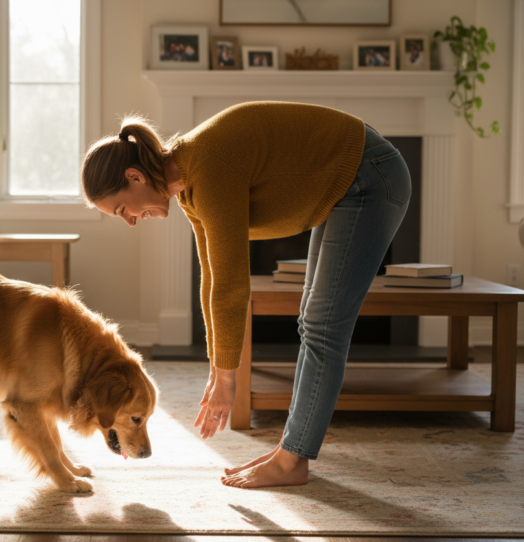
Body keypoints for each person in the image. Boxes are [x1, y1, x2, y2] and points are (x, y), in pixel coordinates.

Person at [80, 102, 411, 488]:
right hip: (350, 183)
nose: (131, 221)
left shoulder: (207, 165)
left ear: (135, 177)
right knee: (313, 321)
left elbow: (233, 283)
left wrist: (227, 380)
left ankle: (293, 461)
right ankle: (293, 449)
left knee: (324, 325)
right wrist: (215, 367)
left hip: (369, 176)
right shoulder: (188, 185)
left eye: (122, 209)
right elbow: (211, 279)